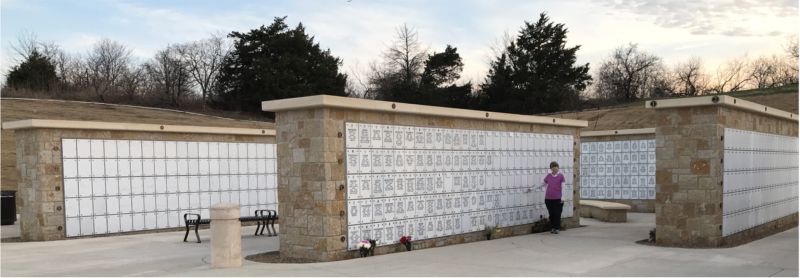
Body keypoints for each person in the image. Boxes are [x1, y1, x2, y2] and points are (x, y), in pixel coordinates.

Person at [538, 161, 564, 234]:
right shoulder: (548, 176)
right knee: (551, 214)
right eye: (553, 168)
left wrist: (563, 198)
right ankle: (552, 227)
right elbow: (542, 184)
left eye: (556, 168)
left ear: (558, 168)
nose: (555, 169)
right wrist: (532, 188)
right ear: (551, 169)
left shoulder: (561, 176)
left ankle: (557, 228)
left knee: (557, 214)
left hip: (558, 199)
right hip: (548, 199)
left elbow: (563, 188)